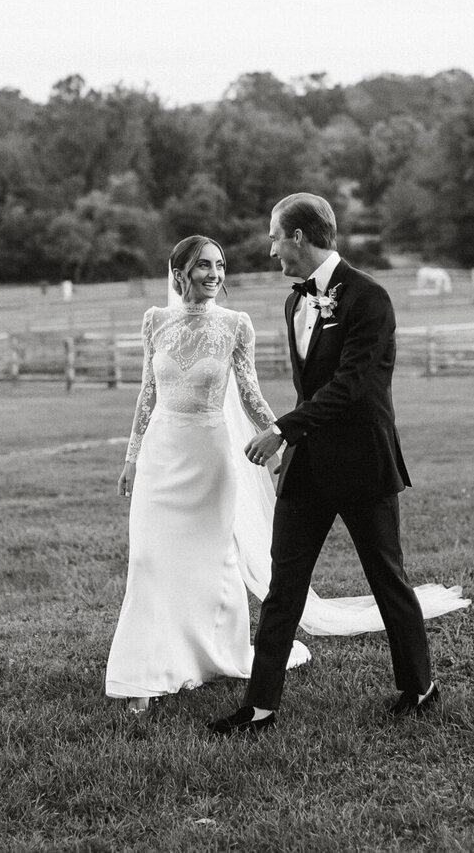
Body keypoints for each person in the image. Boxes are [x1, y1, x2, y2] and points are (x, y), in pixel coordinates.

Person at [208, 193, 462, 736]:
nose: (272, 248)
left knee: (386, 578)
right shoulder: (293, 302)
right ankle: (259, 708)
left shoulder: (370, 298)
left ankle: (420, 688)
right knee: (284, 587)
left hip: (363, 464)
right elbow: (311, 385)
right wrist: (295, 444)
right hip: (308, 468)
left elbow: (354, 385)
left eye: (276, 236)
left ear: (299, 237)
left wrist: (281, 430)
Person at [104, 236, 307, 711]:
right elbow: (147, 395)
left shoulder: (236, 325)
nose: (215, 274)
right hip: (160, 456)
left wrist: (281, 438)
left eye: (220, 265)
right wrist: (131, 457)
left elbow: (252, 395)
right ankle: (145, 675)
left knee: (212, 561)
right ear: (180, 273)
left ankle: (212, 651)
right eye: (204, 266)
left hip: (211, 458)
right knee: (150, 561)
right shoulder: (155, 321)